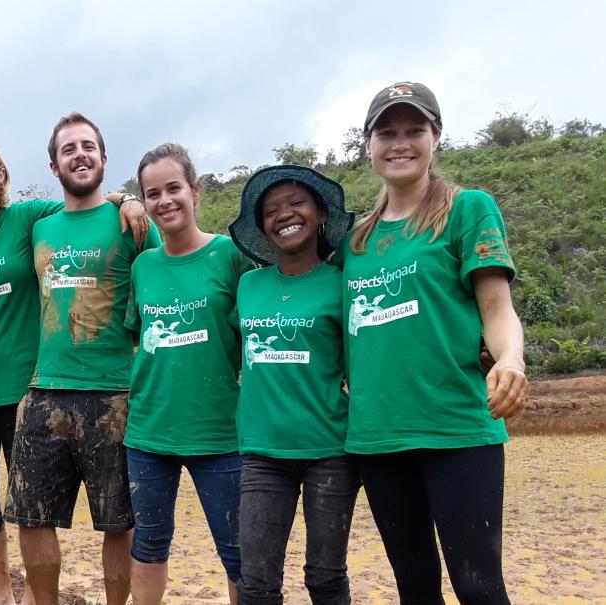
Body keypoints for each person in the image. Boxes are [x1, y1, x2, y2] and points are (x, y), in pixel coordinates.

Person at [0, 135, 148, 605]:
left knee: (66, 512)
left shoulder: (31, 218)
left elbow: (85, 202)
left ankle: (34, 594)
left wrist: (128, 198)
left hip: (35, 387)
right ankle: (1, 590)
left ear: (3, 175)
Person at [337, 81, 528, 604]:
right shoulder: (354, 239)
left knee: (479, 587)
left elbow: (496, 307)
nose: (400, 143)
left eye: (414, 130)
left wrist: (510, 356)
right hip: (377, 436)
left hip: (457, 428)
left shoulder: (468, 210)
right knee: (414, 589)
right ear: (369, 144)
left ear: (436, 136)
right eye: (387, 132)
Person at [4, 112, 161, 605]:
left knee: (120, 522)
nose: (80, 155)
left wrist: (130, 198)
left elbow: (164, 281)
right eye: (68, 149)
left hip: (115, 393)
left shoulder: (130, 222)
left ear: (104, 158)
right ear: (54, 166)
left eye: (88, 146)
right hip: (44, 388)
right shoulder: (38, 226)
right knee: (32, 516)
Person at [228, 164, 359, 604]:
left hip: (330, 452)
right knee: (257, 583)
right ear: (263, 227)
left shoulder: (343, 283)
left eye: (297, 204)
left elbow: (371, 355)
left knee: (324, 577)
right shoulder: (248, 285)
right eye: (271, 211)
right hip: (262, 453)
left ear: (321, 214)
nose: (284, 215)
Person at [124, 143, 246, 604]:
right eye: (151, 193)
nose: (164, 201)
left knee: (238, 554)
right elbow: (140, 339)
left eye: (173, 188)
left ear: (194, 190)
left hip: (220, 431)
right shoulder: (143, 266)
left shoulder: (230, 256)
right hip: (149, 431)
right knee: (149, 547)